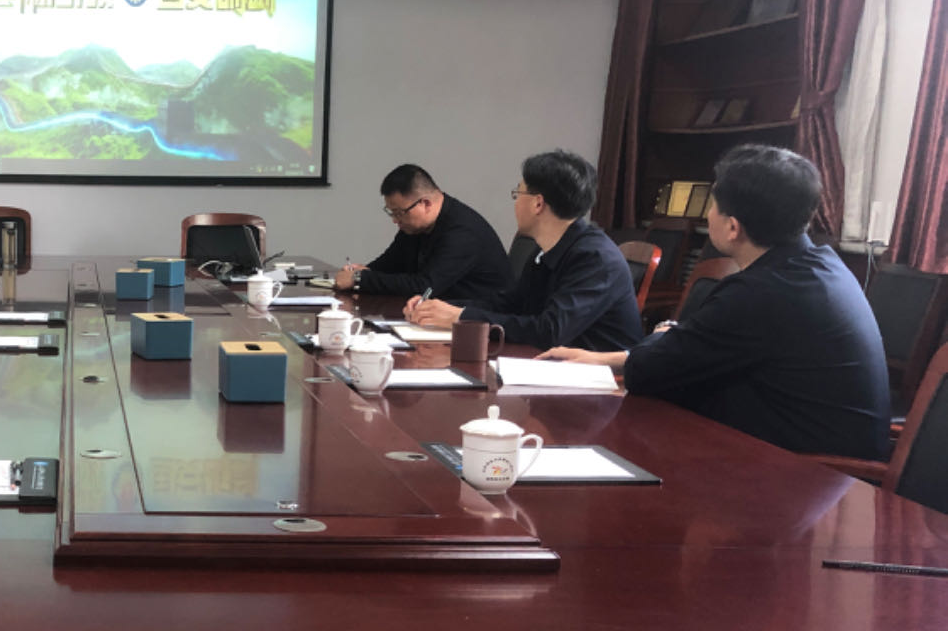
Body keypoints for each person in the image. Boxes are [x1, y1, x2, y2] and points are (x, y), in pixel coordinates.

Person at [541, 145, 890, 460]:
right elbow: (683, 353)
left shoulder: (762, 291)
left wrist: (663, 337)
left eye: (712, 206)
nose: (708, 215)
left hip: (806, 473)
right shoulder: (819, 266)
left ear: (733, 227)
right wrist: (608, 359)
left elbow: (650, 373)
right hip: (801, 454)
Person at [407, 150, 642, 352]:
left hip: (603, 379)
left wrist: (461, 317)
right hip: (553, 365)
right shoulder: (547, 247)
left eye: (518, 194)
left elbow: (550, 331)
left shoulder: (595, 259)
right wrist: (441, 307)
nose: (515, 202)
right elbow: (511, 303)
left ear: (538, 203)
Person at [334, 163, 510, 299]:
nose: (395, 219)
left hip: (479, 321)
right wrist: (365, 270)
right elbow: (391, 262)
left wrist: (361, 279)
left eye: (399, 213)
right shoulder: (415, 227)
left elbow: (425, 287)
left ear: (425, 204)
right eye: (391, 212)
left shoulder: (462, 232)